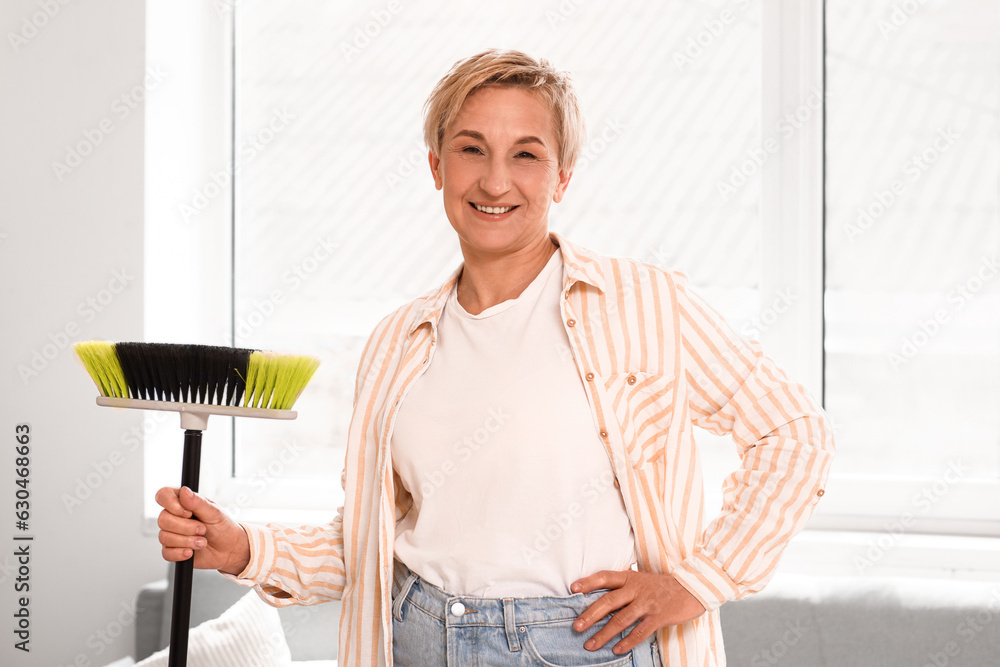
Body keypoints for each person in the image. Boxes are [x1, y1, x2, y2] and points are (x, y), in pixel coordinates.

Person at [156, 49, 834, 667]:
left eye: (527, 154)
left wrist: (695, 583)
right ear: (437, 166)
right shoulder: (397, 343)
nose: (496, 179)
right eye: (472, 148)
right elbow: (370, 544)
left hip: (588, 646)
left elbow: (794, 433)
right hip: (420, 637)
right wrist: (246, 547)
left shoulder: (646, 305)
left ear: (562, 176)